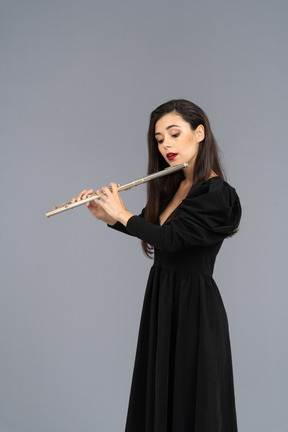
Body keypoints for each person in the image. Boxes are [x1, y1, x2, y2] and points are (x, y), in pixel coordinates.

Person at [74, 99, 241, 432]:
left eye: (174, 133)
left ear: (200, 133)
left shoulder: (218, 194)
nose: (166, 144)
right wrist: (109, 218)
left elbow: (173, 240)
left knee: (191, 402)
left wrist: (124, 214)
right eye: (160, 138)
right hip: (162, 298)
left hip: (194, 307)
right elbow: (158, 233)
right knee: (159, 398)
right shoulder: (174, 186)